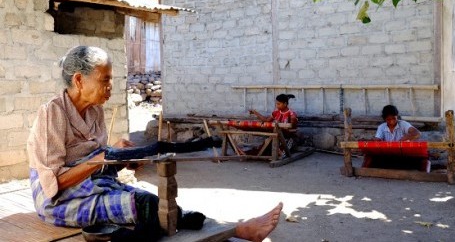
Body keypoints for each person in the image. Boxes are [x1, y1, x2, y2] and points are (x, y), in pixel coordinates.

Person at [26, 46, 283, 241]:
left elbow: (97, 163)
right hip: (58, 200)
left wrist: (121, 160)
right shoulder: (53, 114)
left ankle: (231, 229)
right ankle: (238, 229)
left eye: (110, 79)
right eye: (104, 80)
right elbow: (55, 184)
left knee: (157, 204)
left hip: (91, 184)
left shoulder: (95, 112)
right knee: (145, 209)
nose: (110, 87)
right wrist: (101, 159)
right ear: (80, 80)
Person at [362, 104, 429, 171]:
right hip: (388, 156)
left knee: (424, 161)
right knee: (369, 157)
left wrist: (405, 138)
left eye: (394, 118)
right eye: (388, 119)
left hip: (404, 156)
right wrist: (373, 142)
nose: (391, 121)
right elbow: (377, 140)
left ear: (397, 116)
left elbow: (417, 133)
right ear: (385, 119)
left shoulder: (403, 124)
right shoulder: (381, 127)